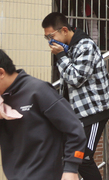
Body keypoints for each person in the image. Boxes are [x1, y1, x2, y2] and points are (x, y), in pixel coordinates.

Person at [42, 12, 109, 180]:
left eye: (51, 36)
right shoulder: (69, 48)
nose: (50, 42)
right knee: (69, 156)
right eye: (47, 38)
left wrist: (61, 56)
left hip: (94, 111)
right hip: (77, 114)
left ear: (64, 30)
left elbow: (75, 79)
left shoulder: (85, 46)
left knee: (83, 157)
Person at [0, 49, 86, 180]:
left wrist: (71, 168)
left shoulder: (38, 90)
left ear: (1, 73)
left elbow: (75, 129)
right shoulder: (2, 100)